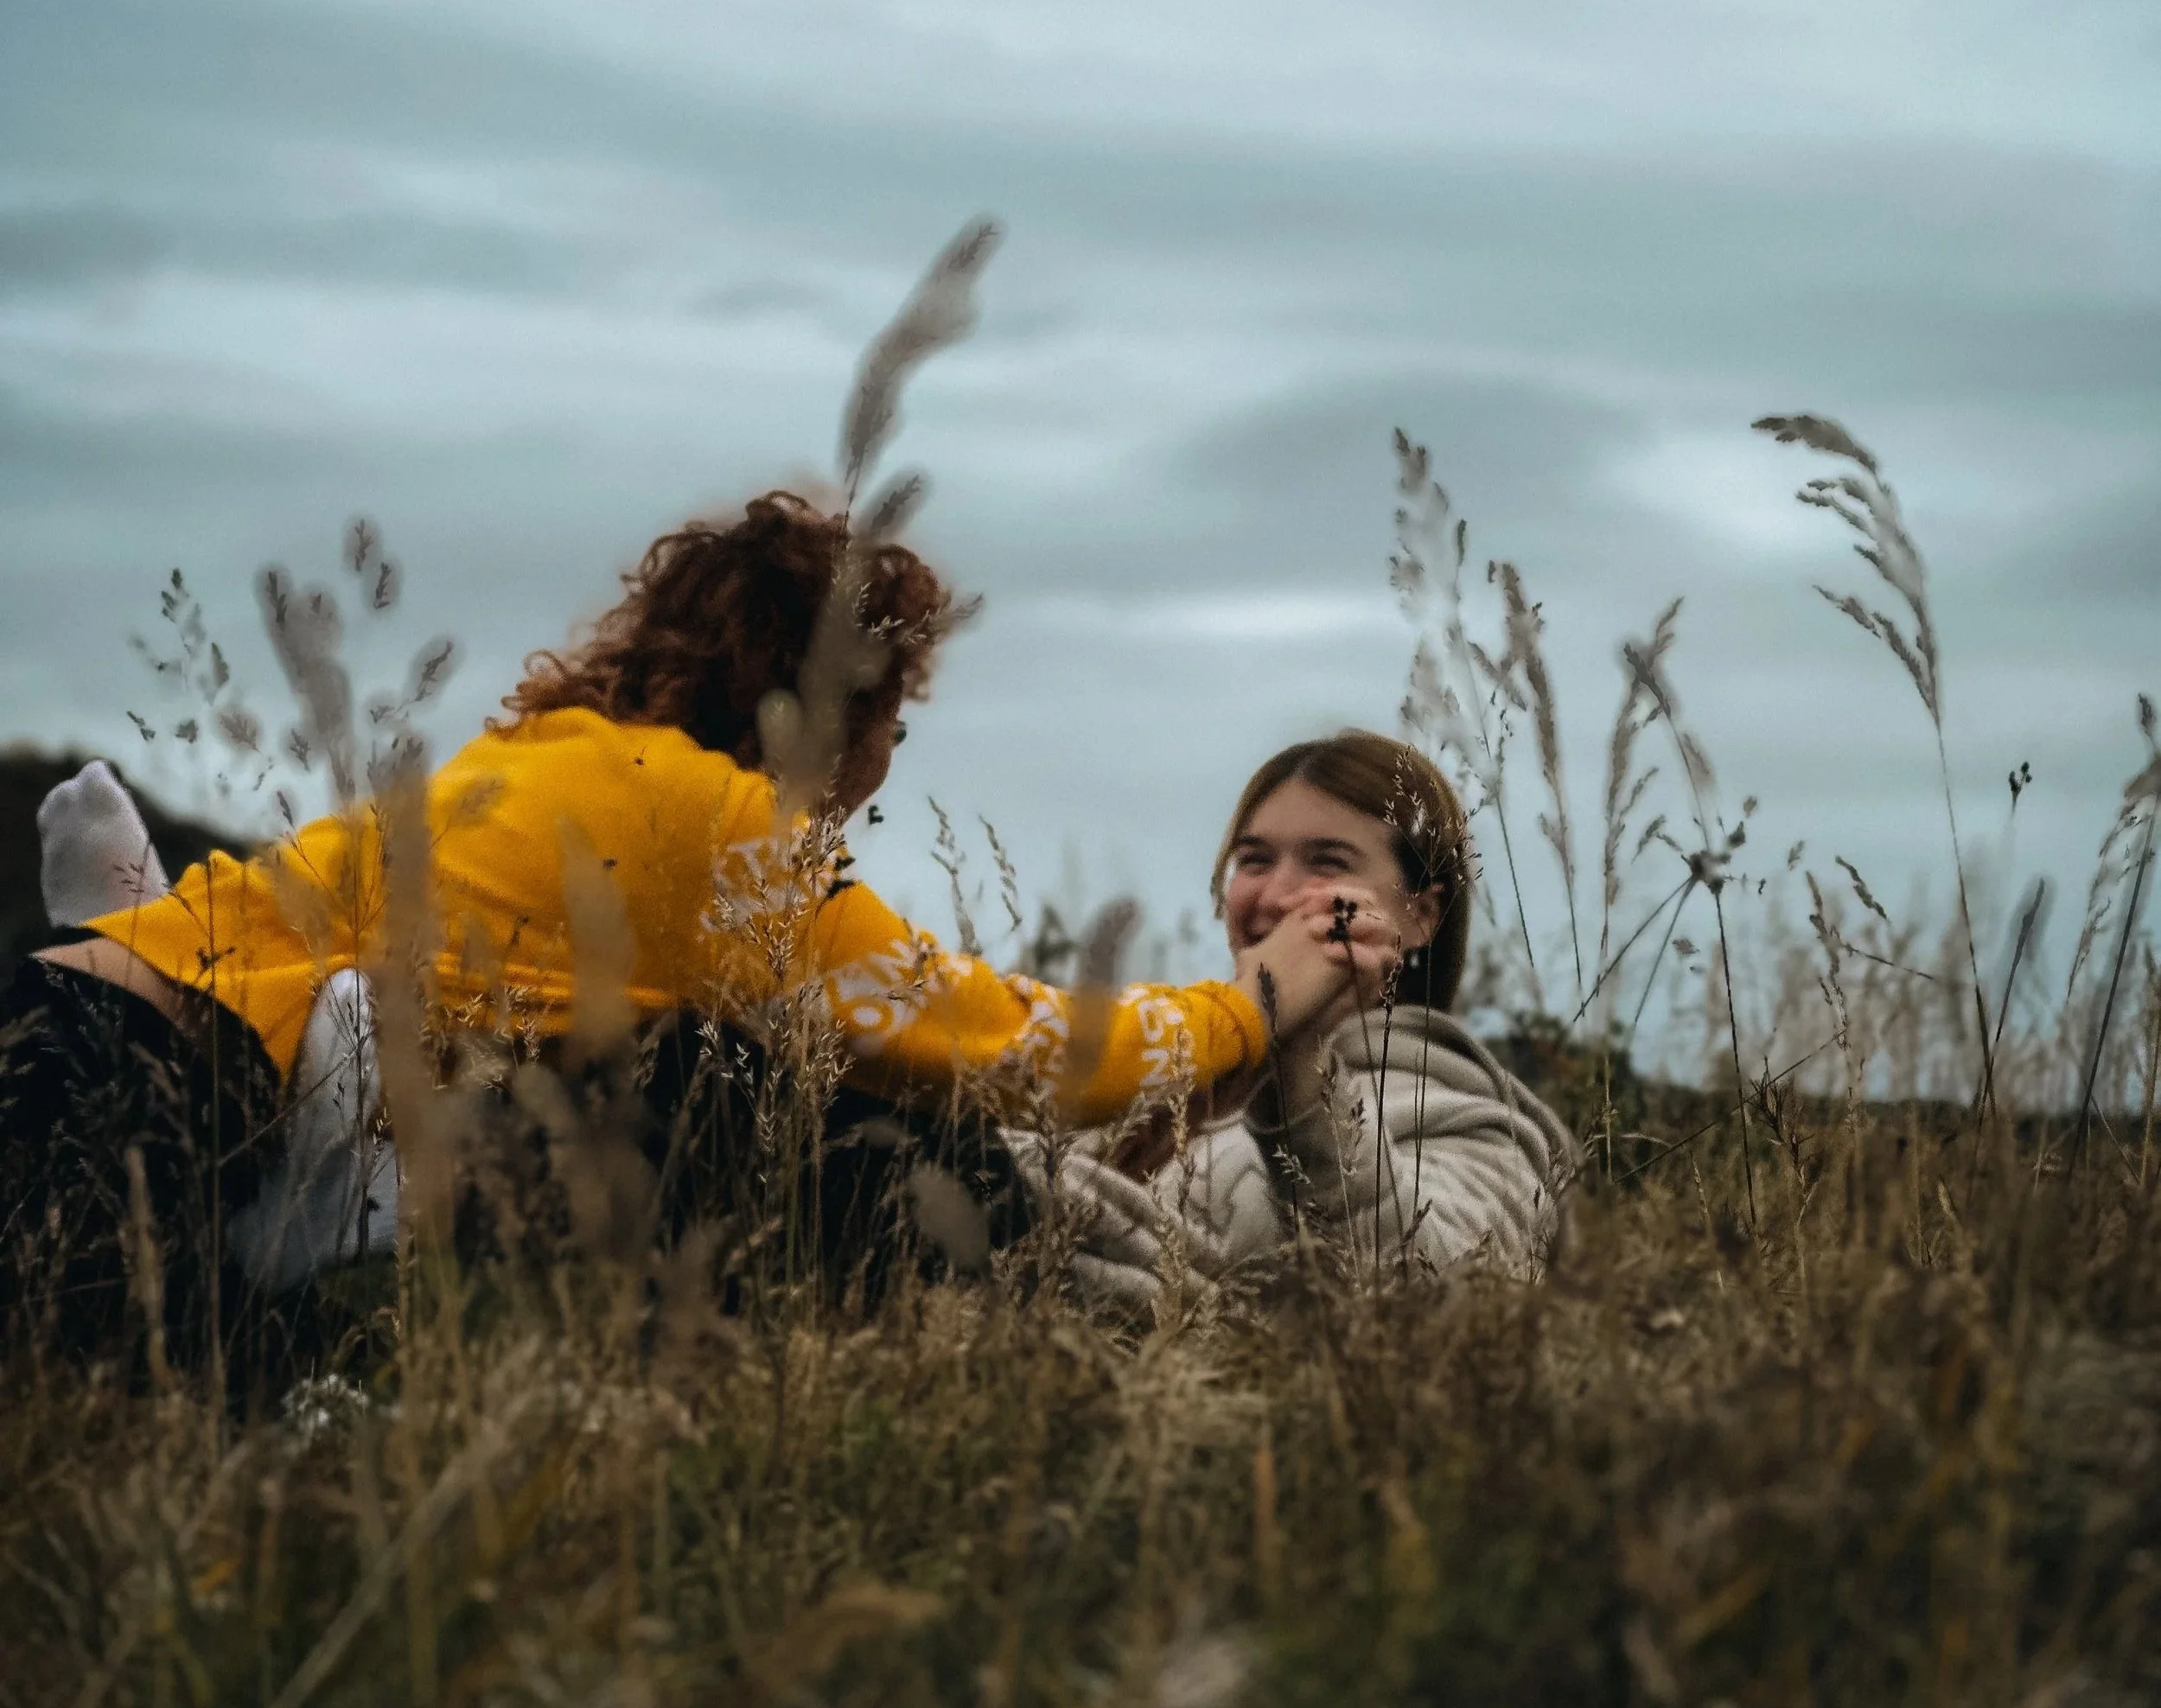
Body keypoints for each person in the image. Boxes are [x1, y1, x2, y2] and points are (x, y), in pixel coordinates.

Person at [2, 492, 1384, 1361]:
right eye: (894, 722)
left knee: (226, 1432)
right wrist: (1255, 999)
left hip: (60, 1018)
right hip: (119, 1103)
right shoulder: (707, 817)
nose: (888, 764)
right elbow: (1015, 1049)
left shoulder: (530, 762)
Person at [1019, 730, 1577, 1307]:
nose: (1277, 895)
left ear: (1420, 914)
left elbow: (1426, 1309)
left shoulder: (1476, 1128)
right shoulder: (1163, 1084)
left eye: (1327, 862)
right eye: (1254, 861)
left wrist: (1299, 1071)